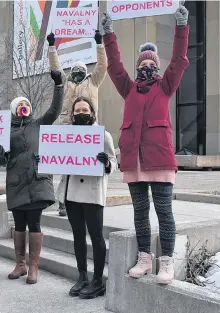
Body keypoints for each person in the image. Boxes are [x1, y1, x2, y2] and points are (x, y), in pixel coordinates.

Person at [101, 5, 190, 285]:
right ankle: (144, 258)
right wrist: (109, 34)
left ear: (158, 67)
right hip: (134, 162)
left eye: (151, 64)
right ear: (137, 66)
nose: (146, 67)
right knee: (140, 212)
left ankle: (167, 262)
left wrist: (182, 27)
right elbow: (114, 67)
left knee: (164, 212)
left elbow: (180, 58)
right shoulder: (128, 89)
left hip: (160, 160)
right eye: (142, 64)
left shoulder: (166, 85)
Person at [0, 70, 64, 284]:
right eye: (20, 105)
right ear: (15, 109)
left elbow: (54, 110)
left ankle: (33, 266)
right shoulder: (5, 130)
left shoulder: (38, 124)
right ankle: (20, 264)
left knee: (34, 224)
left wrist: (59, 85)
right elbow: (2, 159)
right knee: (19, 224)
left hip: (36, 183)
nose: (23, 107)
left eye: (26, 104)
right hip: (16, 183)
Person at [57, 97, 117, 299]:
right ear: (72, 114)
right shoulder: (66, 135)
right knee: (77, 235)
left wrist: (106, 163)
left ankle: (98, 280)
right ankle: (82, 275)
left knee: (96, 236)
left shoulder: (103, 135)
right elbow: (59, 157)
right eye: (77, 110)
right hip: (72, 192)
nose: (80, 113)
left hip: (92, 193)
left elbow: (113, 163)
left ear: (92, 112)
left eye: (84, 109)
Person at [47, 30, 108, 217]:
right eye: (75, 69)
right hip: (68, 128)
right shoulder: (66, 83)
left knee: (89, 167)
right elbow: (56, 67)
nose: (78, 71)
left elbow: (103, 65)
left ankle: (89, 201)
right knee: (67, 168)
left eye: (81, 69)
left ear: (86, 71)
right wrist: (51, 47)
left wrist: (99, 44)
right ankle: (63, 202)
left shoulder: (93, 81)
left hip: (90, 129)